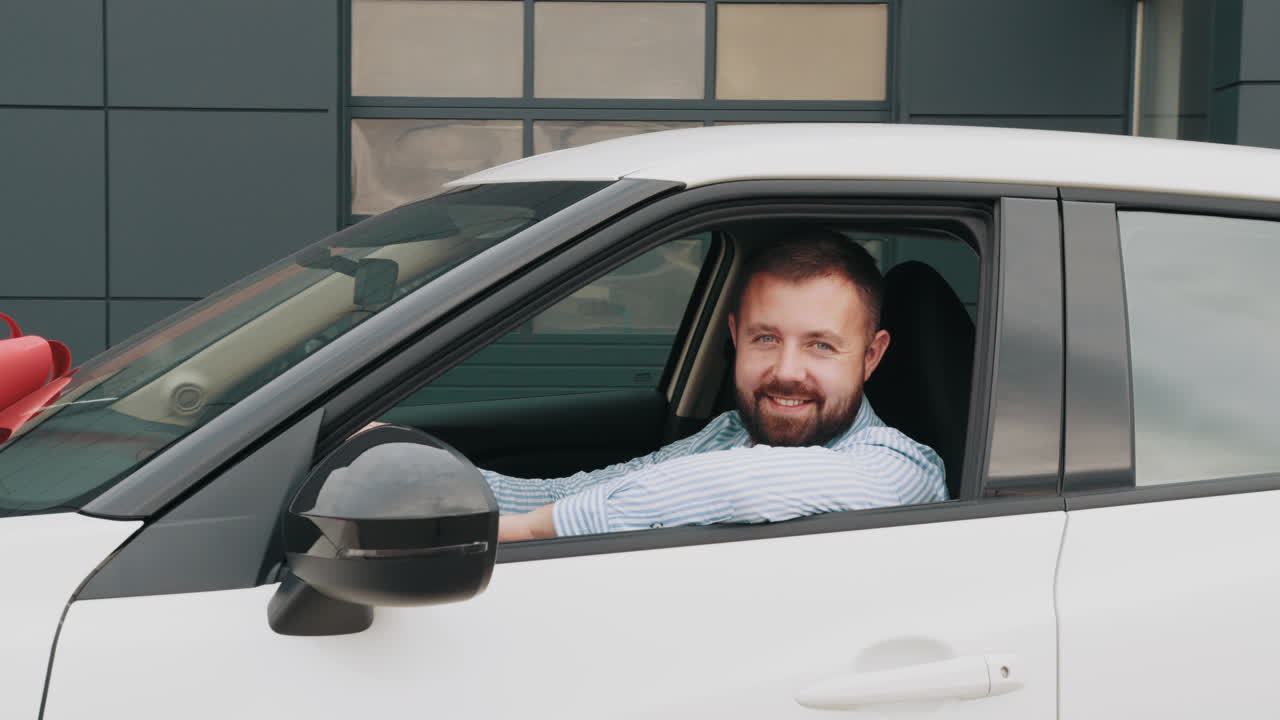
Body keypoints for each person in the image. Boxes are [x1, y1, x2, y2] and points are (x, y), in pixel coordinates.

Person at [494, 228, 948, 542]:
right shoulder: (729, 432)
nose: (787, 371)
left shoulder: (900, 470)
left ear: (872, 356)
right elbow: (574, 492)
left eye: (821, 346)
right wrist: (444, 487)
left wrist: (529, 530)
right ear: (736, 338)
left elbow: (739, 486)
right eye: (766, 339)